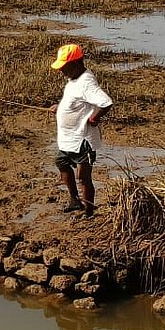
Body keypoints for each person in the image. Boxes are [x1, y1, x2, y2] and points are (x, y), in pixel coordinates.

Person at [50, 44, 113, 217]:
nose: (62, 71)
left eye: (65, 67)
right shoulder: (74, 80)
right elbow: (76, 102)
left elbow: (106, 102)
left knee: (84, 178)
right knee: (61, 163)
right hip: (68, 139)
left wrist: (94, 118)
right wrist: (60, 107)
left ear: (77, 63)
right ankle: (74, 200)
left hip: (82, 140)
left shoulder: (86, 82)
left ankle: (89, 212)